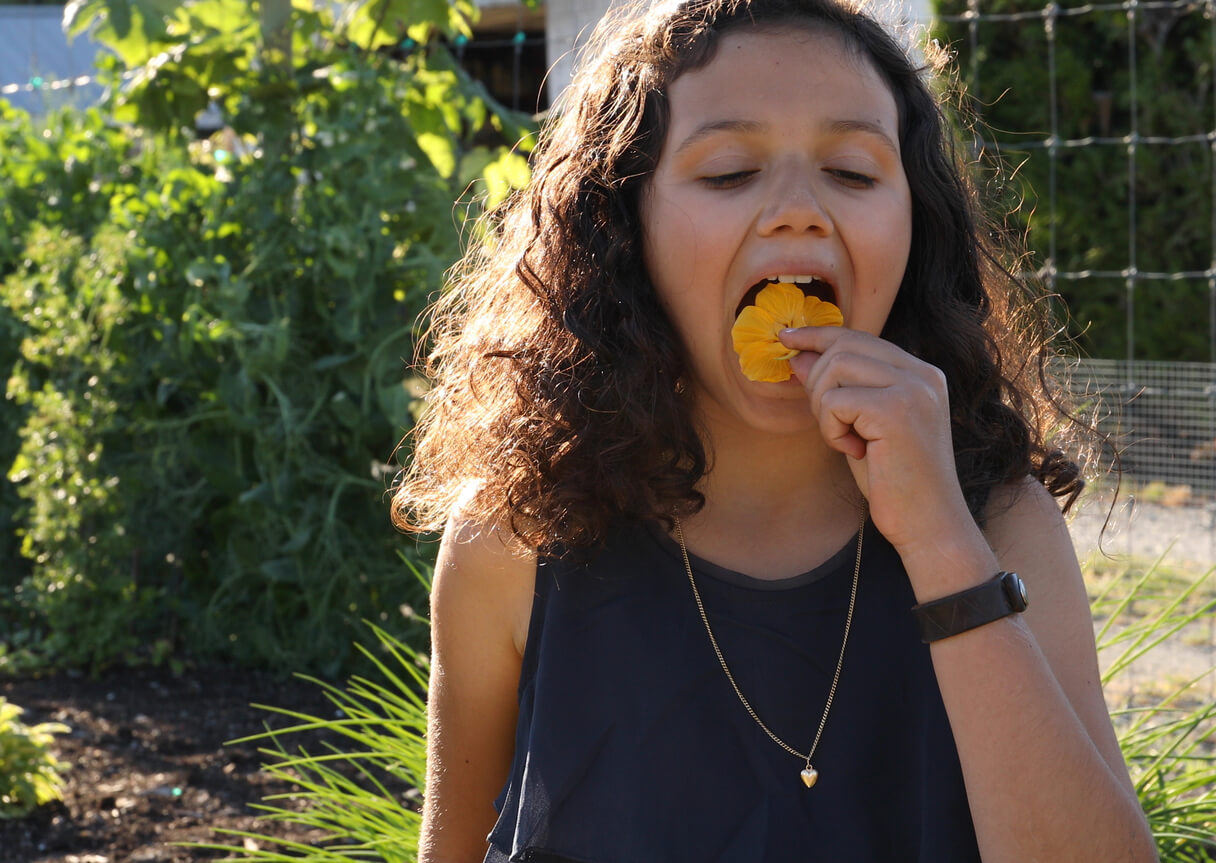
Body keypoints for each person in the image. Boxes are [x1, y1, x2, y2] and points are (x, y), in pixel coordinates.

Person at [393, 0, 1158, 859]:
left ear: (918, 223)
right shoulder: (513, 542)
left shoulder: (1002, 530)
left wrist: (942, 543)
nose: (798, 210)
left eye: (855, 172)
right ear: (622, 226)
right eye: (727, 173)